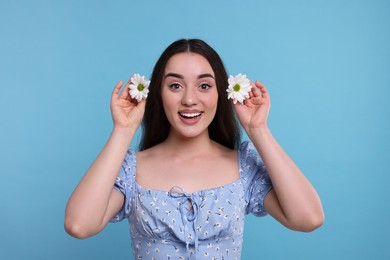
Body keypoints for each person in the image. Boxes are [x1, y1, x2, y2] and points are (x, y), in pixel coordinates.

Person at [65, 39, 324, 259]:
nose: (189, 99)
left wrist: (258, 130)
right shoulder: (132, 169)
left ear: (221, 94)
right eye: (175, 85)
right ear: (159, 94)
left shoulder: (242, 166)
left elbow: (308, 218)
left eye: (204, 85)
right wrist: (123, 130)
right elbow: (79, 224)